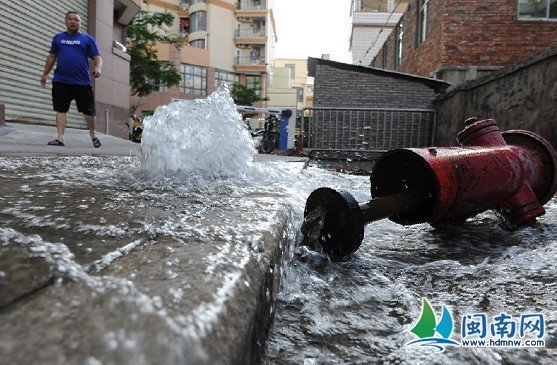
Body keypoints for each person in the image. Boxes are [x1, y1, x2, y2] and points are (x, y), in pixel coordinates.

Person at [40, 11, 103, 148]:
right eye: (70, 19)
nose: (73, 22)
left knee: (88, 111)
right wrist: (45, 74)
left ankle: (93, 135)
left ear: (80, 23)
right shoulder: (58, 38)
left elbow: (97, 57)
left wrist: (98, 68)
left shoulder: (87, 39)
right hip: (61, 81)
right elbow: (52, 57)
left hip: (82, 82)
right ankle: (60, 138)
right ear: (65, 21)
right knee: (60, 110)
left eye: (76, 20)